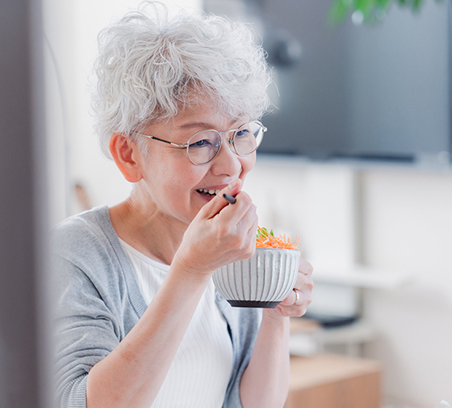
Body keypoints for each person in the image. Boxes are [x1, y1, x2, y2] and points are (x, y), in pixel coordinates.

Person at [51, 6, 314, 408]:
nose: (230, 166)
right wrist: (191, 270)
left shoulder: (236, 252)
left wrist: (275, 317)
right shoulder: (74, 254)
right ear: (129, 155)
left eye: (241, 133)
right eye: (200, 142)